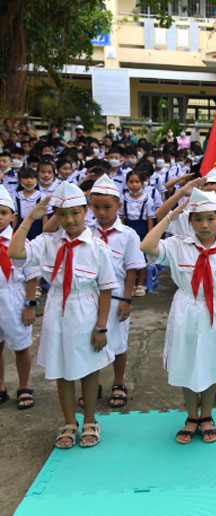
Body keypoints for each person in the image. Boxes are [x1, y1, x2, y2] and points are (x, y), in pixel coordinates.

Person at [9, 181, 118, 448]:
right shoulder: (46, 243)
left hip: (86, 308)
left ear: (86, 211)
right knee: (62, 370)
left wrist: (101, 326)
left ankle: (90, 419)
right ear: (55, 215)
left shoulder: (97, 247)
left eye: (76, 213)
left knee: (89, 370)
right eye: (62, 214)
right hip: (57, 307)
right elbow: (14, 252)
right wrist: (30, 219)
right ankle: (69, 421)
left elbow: (105, 289)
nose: (69, 220)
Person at [141, 188, 216, 443]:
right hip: (186, 309)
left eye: (210, 218)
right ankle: (191, 416)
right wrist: (171, 216)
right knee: (187, 362)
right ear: (189, 222)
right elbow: (147, 246)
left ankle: (207, 415)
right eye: (197, 219)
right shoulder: (178, 245)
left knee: (211, 362)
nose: (204, 224)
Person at [154, 169, 216, 408]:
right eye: (207, 192)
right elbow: (156, 225)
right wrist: (181, 198)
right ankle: (193, 411)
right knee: (189, 357)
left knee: (214, 351)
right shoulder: (185, 230)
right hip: (189, 299)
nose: (204, 223)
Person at [87, 175, 147, 408]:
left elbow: (131, 269)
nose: (102, 213)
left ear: (119, 206)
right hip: (90, 295)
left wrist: (126, 299)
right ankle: (95, 381)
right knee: (92, 340)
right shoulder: (86, 231)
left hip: (116, 296)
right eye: (96, 207)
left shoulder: (128, 235)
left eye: (107, 207)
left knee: (118, 341)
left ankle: (119, 382)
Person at [0, 185, 39, 410]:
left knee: (20, 345)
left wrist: (29, 306)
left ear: (13, 217)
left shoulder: (20, 242)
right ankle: (1, 386)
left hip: (14, 297)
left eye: (3, 213)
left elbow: (32, 277)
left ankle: (24, 386)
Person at [120, 170, 154, 297]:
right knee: (128, 256)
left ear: (142, 183)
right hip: (128, 227)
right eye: (131, 182)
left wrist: (150, 235)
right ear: (127, 183)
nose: (134, 185)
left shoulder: (147, 199)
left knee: (142, 257)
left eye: (137, 182)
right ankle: (131, 283)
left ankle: (140, 283)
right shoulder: (123, 198)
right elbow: (121, 216)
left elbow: (150, 218)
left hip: (142, 228)